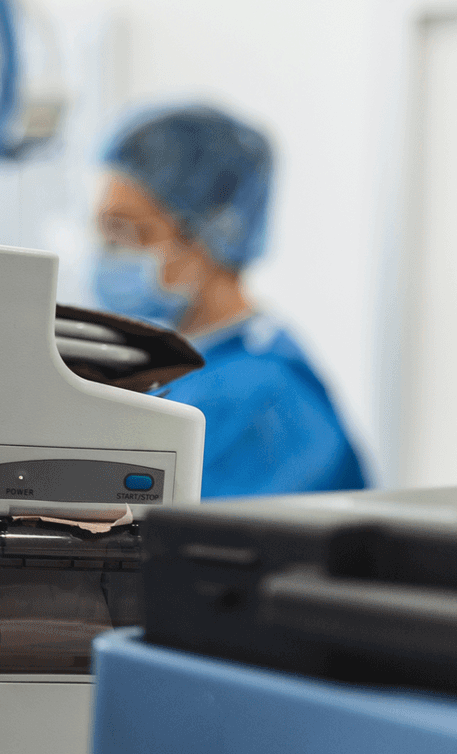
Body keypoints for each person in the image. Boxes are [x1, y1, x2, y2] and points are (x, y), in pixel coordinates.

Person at [93, 104, 368, 498]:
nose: (106, 253)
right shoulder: (181, 367)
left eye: (123, 230)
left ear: (207, 233)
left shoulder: (264, 402)